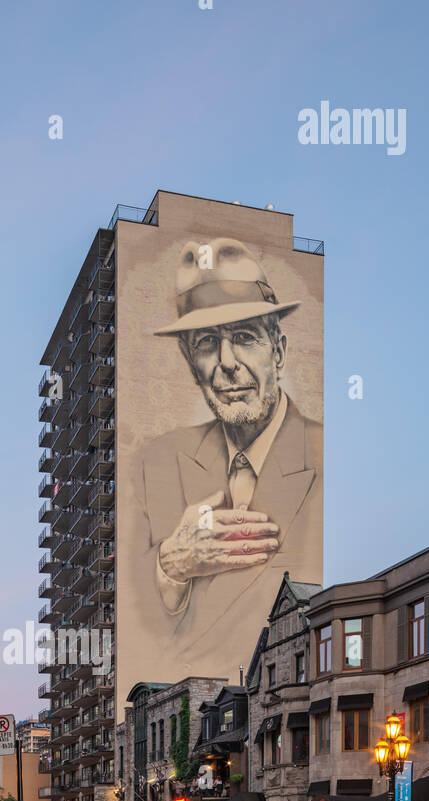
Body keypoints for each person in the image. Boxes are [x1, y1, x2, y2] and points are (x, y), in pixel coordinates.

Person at [129, 236, 322, 669]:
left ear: (280, 352)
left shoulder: (323, 456)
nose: (227, 361)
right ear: (188, 361)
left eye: (244, 336)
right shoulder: (153, 462)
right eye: (205, 344)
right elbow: (138, 614)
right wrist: (170, 567)